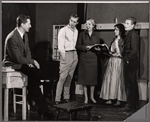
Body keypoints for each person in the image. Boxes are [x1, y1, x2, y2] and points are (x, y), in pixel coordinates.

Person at [2, 14, 55, 119]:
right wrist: (32, 61)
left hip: (22, 62)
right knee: (35, 74)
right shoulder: (12, 38)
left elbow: (27, 51)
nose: (30, 26)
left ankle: (34, 99)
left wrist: (30, 62)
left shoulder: (25, 35)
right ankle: (43, 109)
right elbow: (17, 59)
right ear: (22, 24)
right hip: (13, 64)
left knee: (36, 74)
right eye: (29, 23)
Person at [76, 18, 102, 104]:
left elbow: (98, 46)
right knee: (85, 79)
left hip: (93, 58)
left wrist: (98, 49)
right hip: (84, 58)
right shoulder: (82, 34)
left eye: (89, 24)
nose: (87, 26)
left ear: (93, 25)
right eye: (86, 24)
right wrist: (84, 48)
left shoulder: (97, 35)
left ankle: (92, 96)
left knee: (92, 79)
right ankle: (86, 98)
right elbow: (77, 46)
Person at [100, 23, 126, 106]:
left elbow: (123, 52)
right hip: (112, 61)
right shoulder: (114, 40)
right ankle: (110, 98)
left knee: (117, 79)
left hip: (118, 62)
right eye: (114, 30)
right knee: (110, 79)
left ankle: (119, 99)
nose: (115, 31)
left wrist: (118, 54)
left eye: (116, 30)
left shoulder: (122, 41)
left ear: (121, 31)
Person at [55, 14, 79, 104]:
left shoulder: (76, 31)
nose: (72, 23)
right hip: (66, 54)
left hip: (74, 54)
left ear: (77, 23)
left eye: (74, 22)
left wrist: (74, 56)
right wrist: (64, 56)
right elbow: (60, 45)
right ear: (69, 20)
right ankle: (57, 99)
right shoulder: (63, 30)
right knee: (62, 77)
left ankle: (66, 97)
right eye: (71, 21)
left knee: (70, 77)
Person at [121, 17, 140, 111]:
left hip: (130, 62)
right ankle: (133, 104)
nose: (125, 25)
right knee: (131, 83)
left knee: (130, 84)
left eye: (127, 23)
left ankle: (131, 105)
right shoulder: (129, 34)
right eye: (125, 23)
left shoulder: (133, 35)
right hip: (129, 61)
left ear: (133, 25)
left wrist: (127, 59)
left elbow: (134, 50)